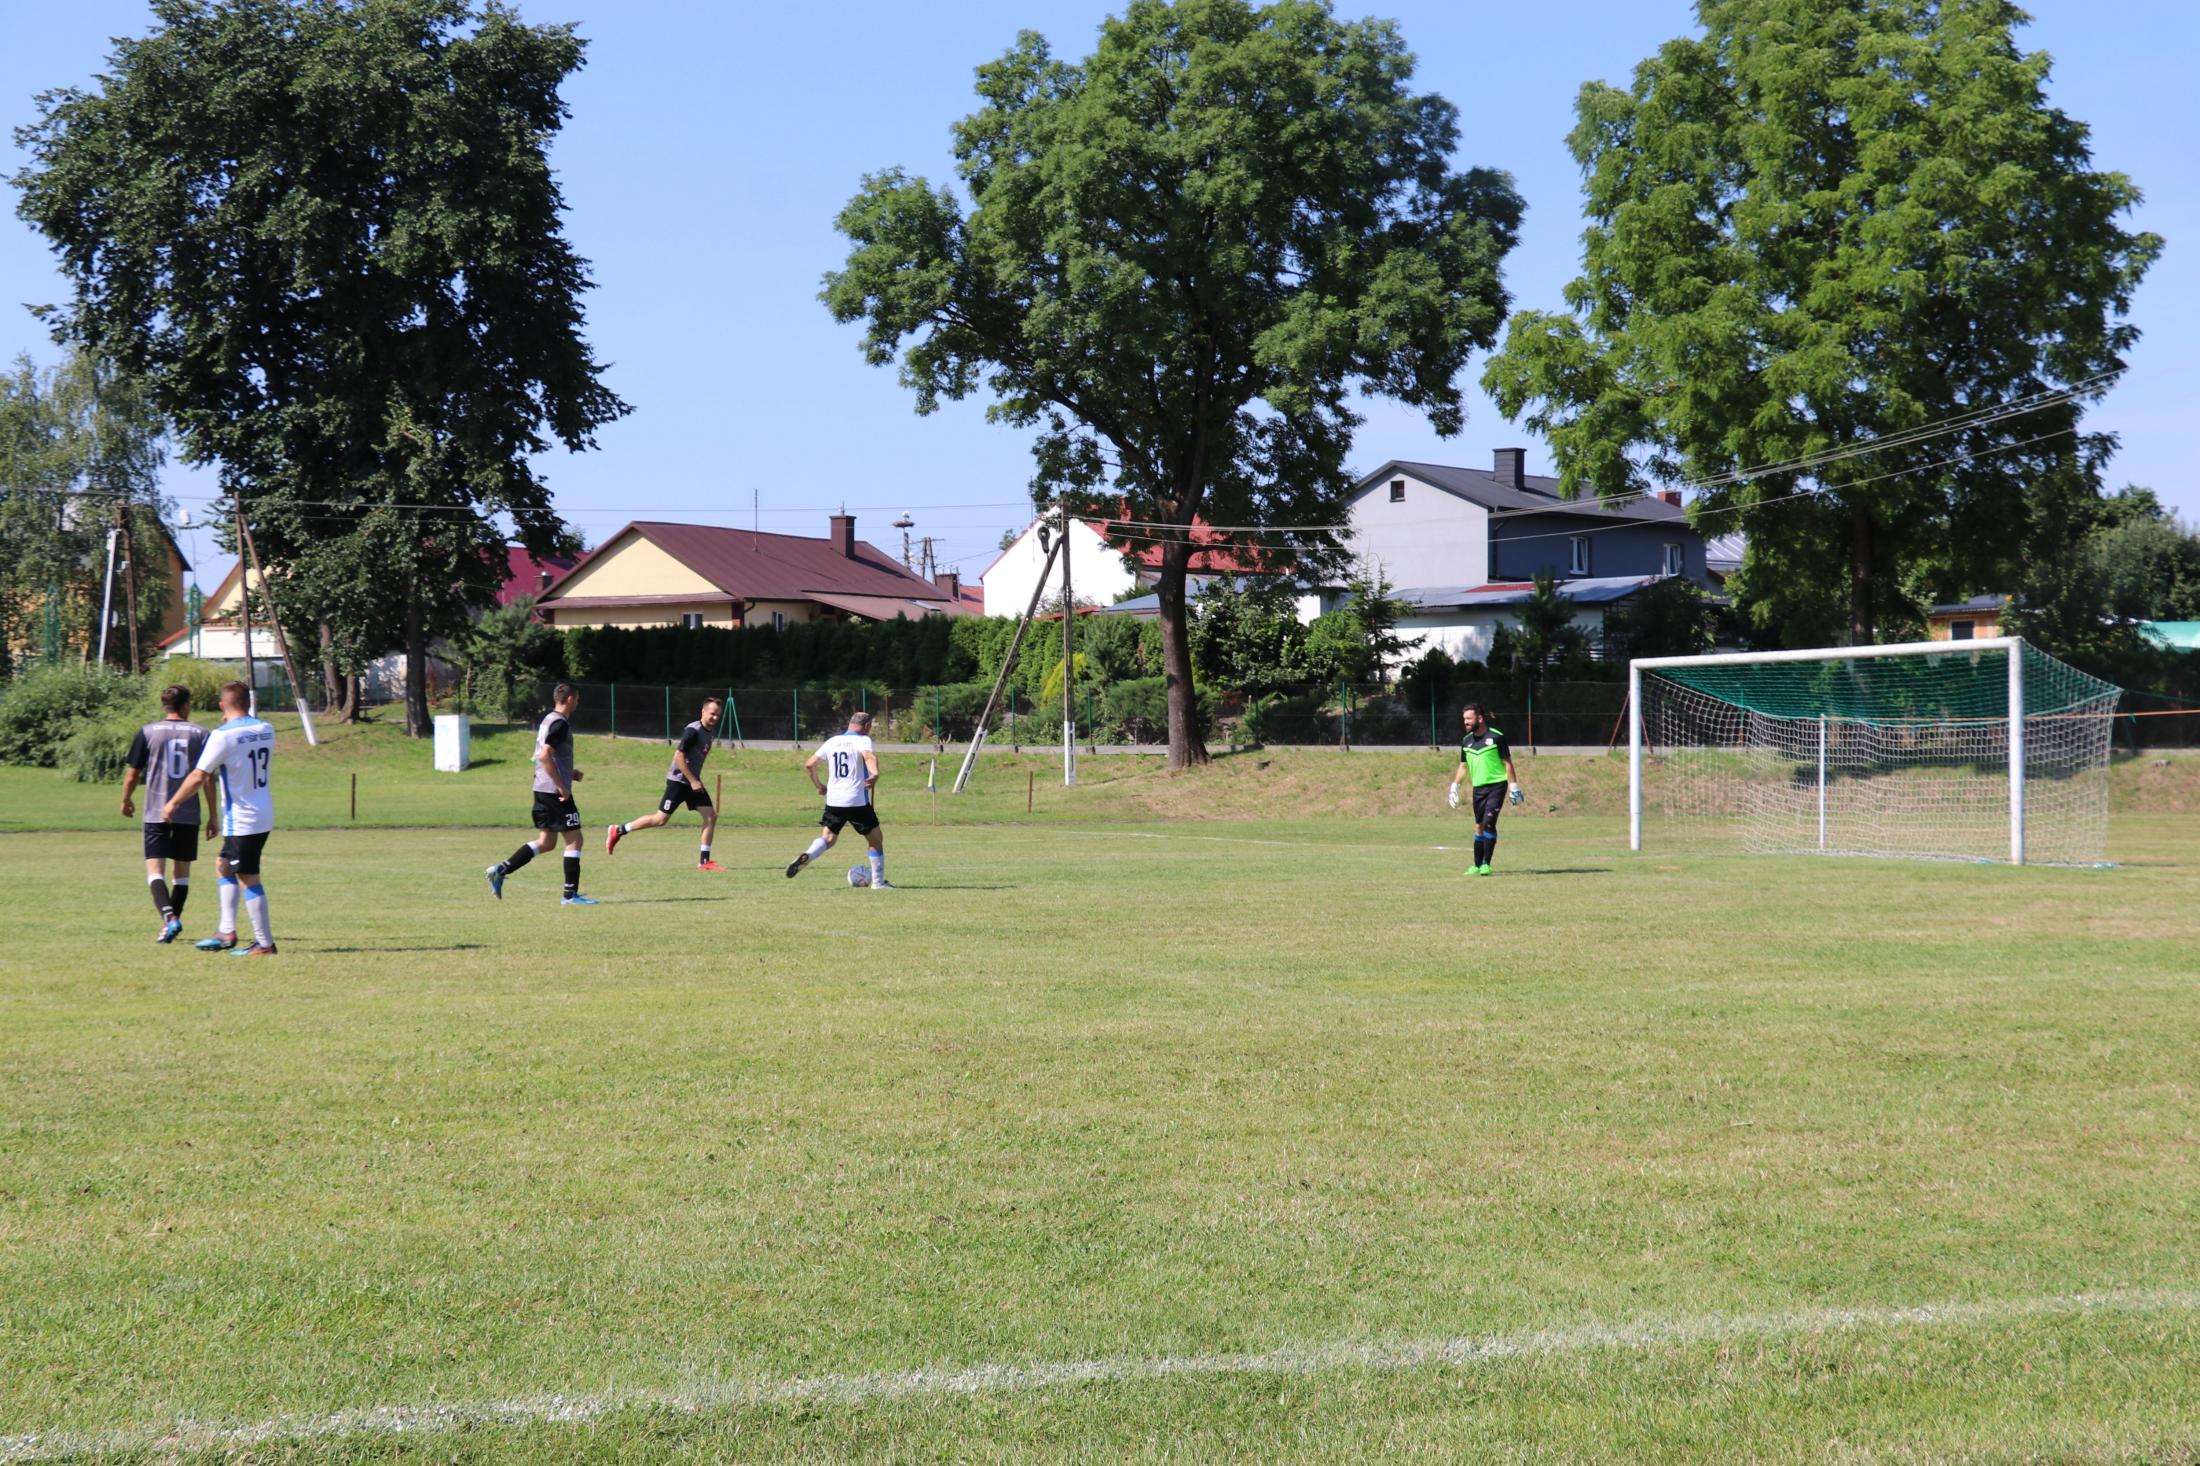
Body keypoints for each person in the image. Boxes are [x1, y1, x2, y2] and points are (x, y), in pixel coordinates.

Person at [161, 680, 279, 955]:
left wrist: (173, 802)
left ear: (221, 706)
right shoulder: (266, 728)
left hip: (243, 818)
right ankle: (226, 931)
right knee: (224, 865)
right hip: (262, 812)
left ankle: (265, 943)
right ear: (248, 703)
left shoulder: (222, 735)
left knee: (248, 877)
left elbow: (199, 775)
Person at [121, 683, 215, 943]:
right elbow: (207, 777)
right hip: (188, 813)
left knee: (155, 871)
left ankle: (170, 919)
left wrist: (126, 799)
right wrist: (212, 815)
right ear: (185, 705)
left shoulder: (147, 732)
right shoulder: (201, 734)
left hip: (156, 811)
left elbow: (132, 774)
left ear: (165, 706)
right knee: (181, 873)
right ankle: (171, 923)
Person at [486, 683, 594, 905]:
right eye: (577, 698)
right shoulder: (560, 724)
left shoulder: (547, 720)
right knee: (575, 839)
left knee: (547, 842)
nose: (578, 702)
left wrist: (568, 772)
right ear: (570, 699)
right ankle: (570, 895)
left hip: (541, 788)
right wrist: (562, 785)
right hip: (554, 792)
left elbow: (537, 756)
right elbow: (544, 756)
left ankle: (501, 870)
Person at [605, 696, 723, 869]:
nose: (715, 717)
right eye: (712, 713)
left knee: (710, 816)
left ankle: (704, 862)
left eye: (718, 714)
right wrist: (692, 780)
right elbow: (678, 756)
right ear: (703, 712)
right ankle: (619, 830)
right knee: (660, 819)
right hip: (679, 781)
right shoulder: (693, 731)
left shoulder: (710, 732)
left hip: (693, 782)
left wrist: (694, 780)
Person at [785, 709, 890, 889]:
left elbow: (809, 764)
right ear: (866, 726)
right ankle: (878, 883)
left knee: (828, 838)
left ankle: (809, 855)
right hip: (856, 800)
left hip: (834, 800)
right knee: (876, 840)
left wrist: (819, 786)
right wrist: (874, 774)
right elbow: (869, 756)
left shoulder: (832, 741)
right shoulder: (863, 740)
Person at [1448, 702, 1522, 877]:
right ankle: (1476, 865)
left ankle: (1486, 865)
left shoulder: (1496, 737)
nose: (1465, 722)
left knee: (1489, 822)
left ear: (1480, 718)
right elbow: (1463, 766)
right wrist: (1454, 786)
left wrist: (1513, 786)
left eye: (1469, 718)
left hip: (1497, 786)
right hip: (1478, 788)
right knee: (1479, 826)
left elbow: (1507, 763)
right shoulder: (1466, 741)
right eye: (1464, 719)